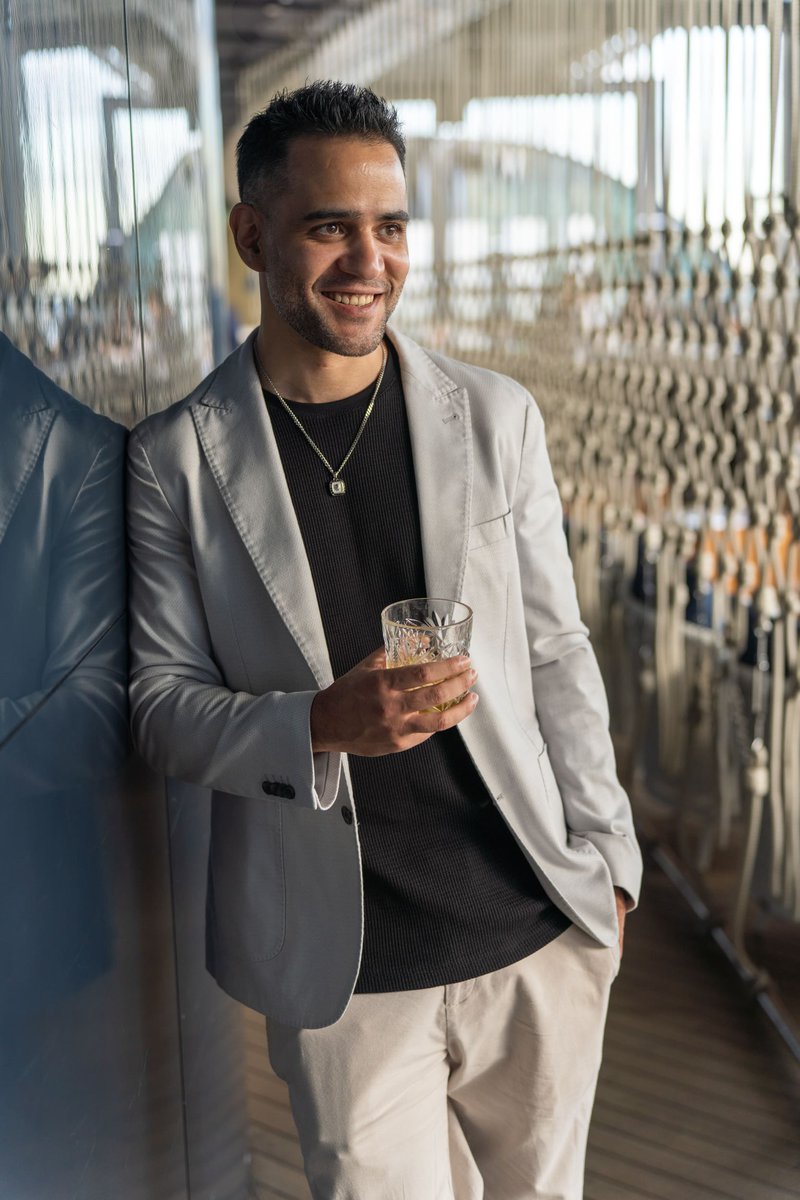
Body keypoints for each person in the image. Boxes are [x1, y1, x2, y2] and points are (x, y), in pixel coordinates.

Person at [126, 81, 642, 1200]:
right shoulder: (174, 459)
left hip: (533, 924)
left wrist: (609, 875)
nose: (369, 260)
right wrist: (315, 723)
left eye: (390, 226)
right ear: (252, 234)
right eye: (329, 226)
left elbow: (557, 653)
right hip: (343, 967)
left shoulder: (497, 415)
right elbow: (159, 707)